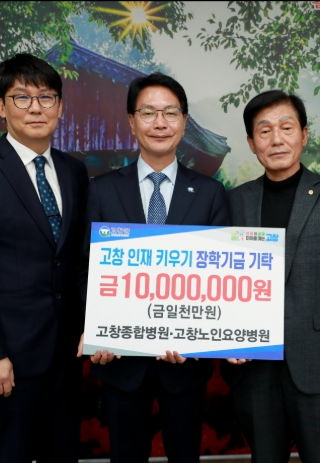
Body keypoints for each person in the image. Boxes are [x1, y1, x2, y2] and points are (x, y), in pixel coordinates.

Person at [76, 73, 230, 463]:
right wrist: (97, 327)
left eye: (170, 113)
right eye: (148, 113)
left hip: (185, 363)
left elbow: (220, 278)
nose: (160, 123)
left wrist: (199, 338)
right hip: (119, 361)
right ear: (131, 121)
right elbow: (85, 268)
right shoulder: (102, 190)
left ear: (184, 121)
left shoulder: (210, 193)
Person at [0, 53, 88, 462]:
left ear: (60, 106)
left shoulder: (74, 171)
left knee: (63, 454)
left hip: (67, 354)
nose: (36, 108)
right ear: (1, 107)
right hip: (8, 357)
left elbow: (79, 259)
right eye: (22, 97)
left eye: (46, 97)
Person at [222, 90, 320, 462]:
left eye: (286, 128)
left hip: (318, 365)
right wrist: (226, 338)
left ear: (303, 135)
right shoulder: (236, 201)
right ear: (252, 143)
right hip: (254, 368)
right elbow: (222, 280)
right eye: (264, 131)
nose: (276, 139)